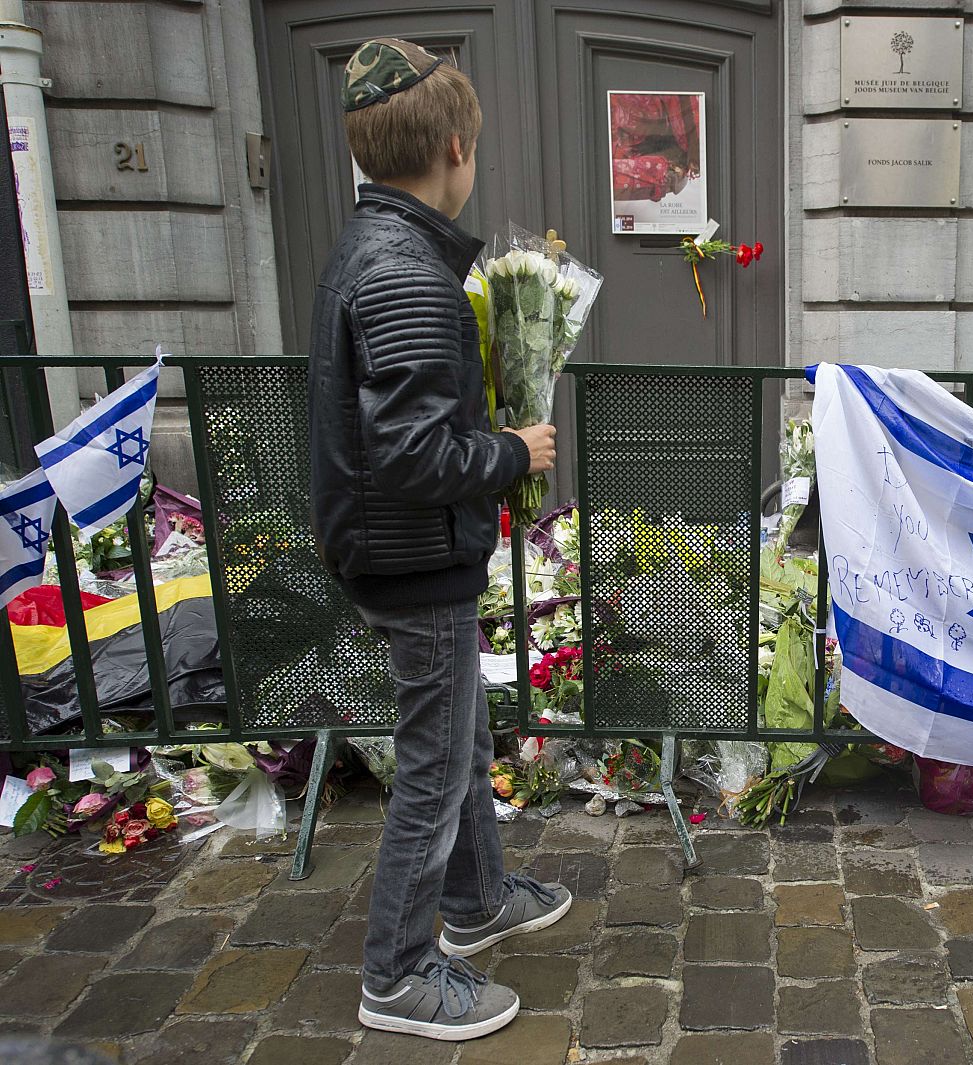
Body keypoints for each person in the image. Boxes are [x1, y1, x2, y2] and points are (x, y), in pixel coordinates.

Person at [307, 38, 570, 1042]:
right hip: (412, 556)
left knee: (457, 741)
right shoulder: (407, 272)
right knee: (430, 765)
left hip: (405, 551)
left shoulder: (380, 245)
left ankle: (474, 902)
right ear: (454, 147)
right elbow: (415, 456)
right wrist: (513, 449)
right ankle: (397, 973)